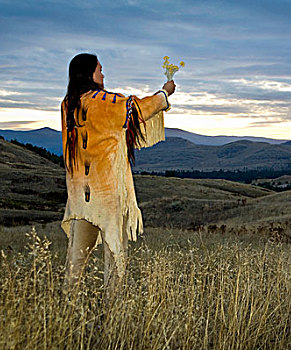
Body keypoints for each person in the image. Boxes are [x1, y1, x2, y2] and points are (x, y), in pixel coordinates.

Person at [61, 53, 175, 289]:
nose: (103, 74)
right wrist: (164, 93)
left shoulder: (68, 104)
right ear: (89, 73)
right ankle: (114, 316)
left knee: (76, 261)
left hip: (80, 196)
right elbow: (139, 109)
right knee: (114, 256)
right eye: (99, 69)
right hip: (107, 194)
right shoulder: (104, 102)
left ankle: (66, 311)